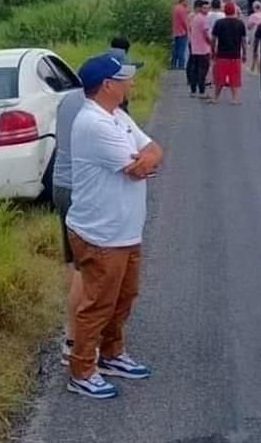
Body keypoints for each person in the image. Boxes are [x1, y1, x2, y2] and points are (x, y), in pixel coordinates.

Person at [65, 53, 164, 400]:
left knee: (123, 297)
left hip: (124, 229)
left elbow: (153, 149)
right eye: (125, 79)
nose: (131, 83)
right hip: (101, 233)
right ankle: (81, 370)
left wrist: (148, 158)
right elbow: (137, 168)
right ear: (108, 85)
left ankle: (111, 354)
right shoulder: (94, 123)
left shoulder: (117, 116)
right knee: (97, 305)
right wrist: (146, 161)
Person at [52, 88, 86, 366]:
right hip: (80, 189)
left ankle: (73, 332)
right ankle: (74, 338)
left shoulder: (67, 100)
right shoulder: (92, 111)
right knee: (84, 266)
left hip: (62, 185)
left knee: (73, 263)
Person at [210, 2, 247, 105]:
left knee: (219, 78)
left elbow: (213, 39)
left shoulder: (219, 23)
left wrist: (212, 51)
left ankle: (215, 98)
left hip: (222, 54)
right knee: (234, 77)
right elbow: (243, 40)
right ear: (234, 11)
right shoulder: (240, 23)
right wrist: (244, 53)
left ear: (224, 11)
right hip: (235, 55)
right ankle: (234, 99)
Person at [186, 0, 212, 98]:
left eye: (208, 8)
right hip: (203, 49)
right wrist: (211, 44)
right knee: (203, 71)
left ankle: (193, 91)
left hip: (195, 48)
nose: (207, 10)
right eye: (205, 8)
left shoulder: (195, 18)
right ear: (200, 8)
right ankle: (202, 91)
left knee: (195, 70)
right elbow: (206, 34)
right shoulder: (203, 19)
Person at [170, 0, 191, 70]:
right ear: (182, 1)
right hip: (182, 32)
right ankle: (181, 65)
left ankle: (173, 64)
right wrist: (188, 31)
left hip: (175, 31)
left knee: (175, 49)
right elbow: (184, 22)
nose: (188, 3)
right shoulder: (182, 9)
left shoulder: (175, 7)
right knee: (181, 50)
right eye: (187, 1)